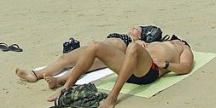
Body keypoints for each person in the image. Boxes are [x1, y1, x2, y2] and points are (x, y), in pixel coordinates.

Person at [47, 38, 194, 108]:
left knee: (133, 47)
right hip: (130, 65)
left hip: (149, 71)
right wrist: (140, 42)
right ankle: (66, 87)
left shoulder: (182, 47)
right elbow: (135, 47)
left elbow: (186, 67)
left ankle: (113, 96)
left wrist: (166, 65)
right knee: (94, 46)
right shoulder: (159, 42)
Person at [14, 26, 145, 85]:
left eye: (138, 29)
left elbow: (137, 52)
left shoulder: (138, 41)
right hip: (95, 47)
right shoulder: (122, 33)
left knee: (82, 65)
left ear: (141, 35)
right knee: (65, 58)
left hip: (107, 54)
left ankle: (58, 80)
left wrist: (140, 42)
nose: (134, 28)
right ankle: (35, 74)